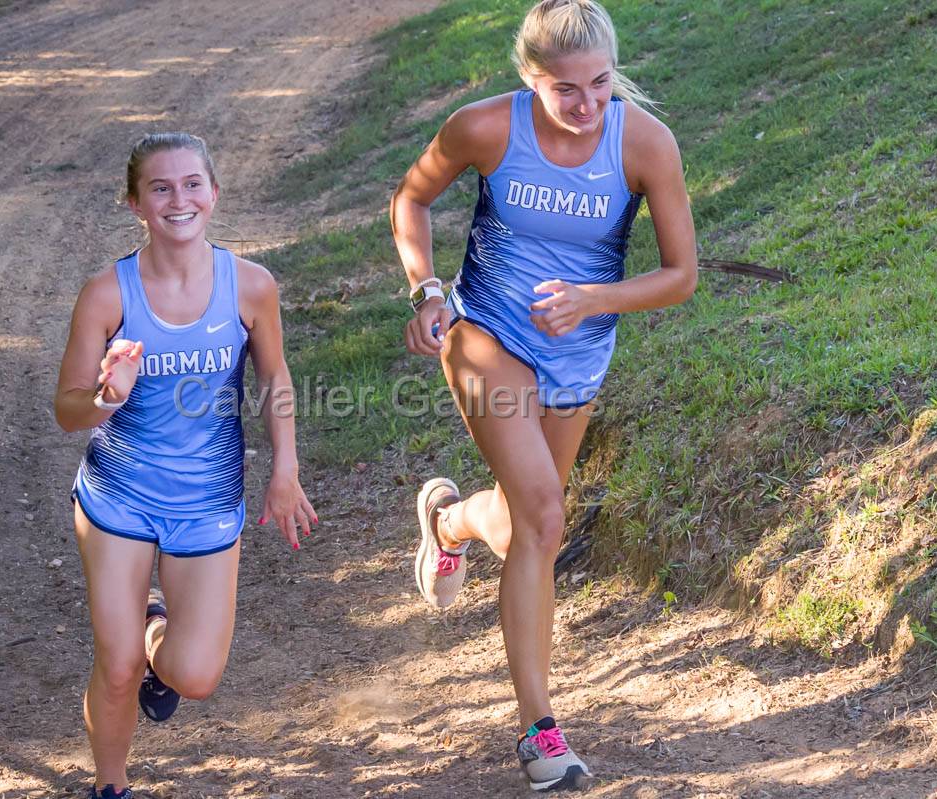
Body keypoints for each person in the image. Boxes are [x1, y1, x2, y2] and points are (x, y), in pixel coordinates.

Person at [390, 0, 697, 791]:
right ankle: (539, 729)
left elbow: (680, 276)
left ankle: (448, 520)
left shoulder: (645, 144)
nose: (588, 103)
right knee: (546, 513)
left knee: (535, 518)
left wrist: (596, 299)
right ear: (531, 81)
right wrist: (427, 290)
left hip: (579, 353)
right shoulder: (486, 129)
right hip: (485, 332)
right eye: (567, 89)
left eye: (600, 82)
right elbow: (412, 199)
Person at [54, 133, 315, 799]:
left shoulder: (251, 287)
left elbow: (275, 378)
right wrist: (109, 394)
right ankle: (110, 786)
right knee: (114, 667)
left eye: (192, 184)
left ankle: (151, 627)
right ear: (135, 202)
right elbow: (67, 408)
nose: (179, 199)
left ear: (214, 194)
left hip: (208, 499)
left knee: (195, 675)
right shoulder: (106, 296)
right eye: (161, 188)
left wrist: (285, 468)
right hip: (120, 498)